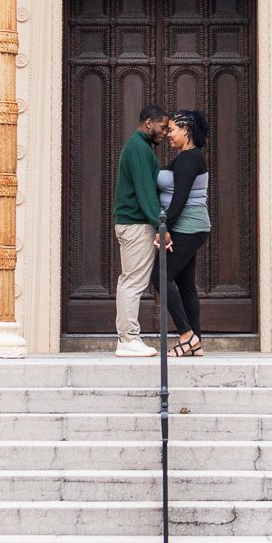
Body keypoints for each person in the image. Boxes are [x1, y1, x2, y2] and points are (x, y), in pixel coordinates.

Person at [112, 103, 170, 357]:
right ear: (149, 123)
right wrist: (160, 224)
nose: (165, 132)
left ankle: (128, 337)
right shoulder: (138, 148)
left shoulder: (139, 147)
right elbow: (146, 191)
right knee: (133, 281)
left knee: (130, 280)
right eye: (162, 127)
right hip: (135, 225)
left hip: (131, 223)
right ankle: (128, 339)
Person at [151, 108, 210, 357]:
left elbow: (180, 198)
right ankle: (195, 343)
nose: (168, 135)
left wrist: (164, 227)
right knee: (186, 284)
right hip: (193, 226)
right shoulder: (192, 157)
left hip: (188, 226)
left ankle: (186, 334)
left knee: (159, 276)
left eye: (172, 130)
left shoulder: (188, 159)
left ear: (186, 130)